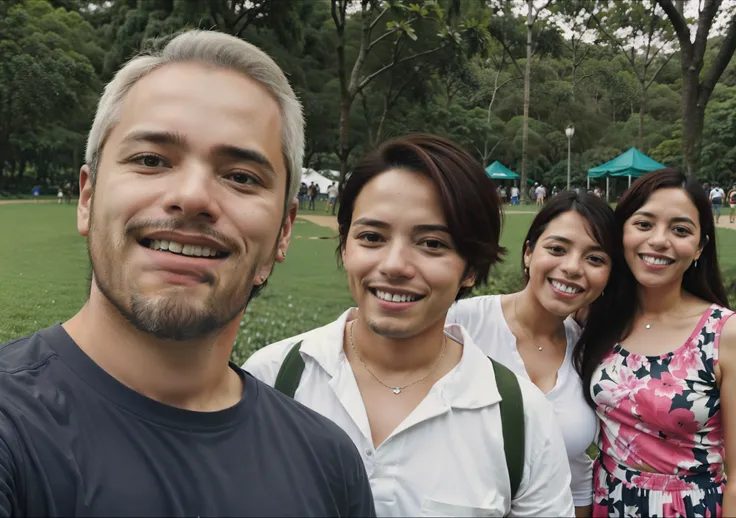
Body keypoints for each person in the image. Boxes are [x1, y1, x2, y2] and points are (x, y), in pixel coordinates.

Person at [0, 30, 375, 517]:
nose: (194, 196)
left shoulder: (329, 463)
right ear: (88, 198)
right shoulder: (13, 429)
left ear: (283, 232)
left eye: (241, 176)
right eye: (151, 160)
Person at [244, 134, 576, 517]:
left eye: (432, 243)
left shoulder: (520, 417)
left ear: (469, 267)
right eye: (372, 237)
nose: (395, 265)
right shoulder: (272, 379)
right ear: (345, 244)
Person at [448, 191, 620, 517]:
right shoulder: (460, 324)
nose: (572, 267)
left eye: (595, 259)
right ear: (528, 253)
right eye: (557, 249)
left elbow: (577, 473)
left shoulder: (593, 352)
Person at [575, 168, 736, 517]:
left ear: (699, 248)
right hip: (607, 501)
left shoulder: (724, 333)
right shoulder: (596, 317)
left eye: (680, 230)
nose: (659, 240)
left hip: (690, 506)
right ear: (622, 234)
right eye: (644, 224)